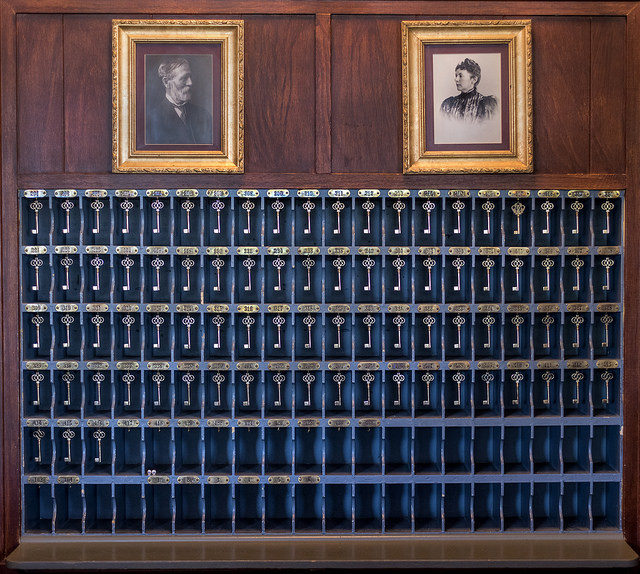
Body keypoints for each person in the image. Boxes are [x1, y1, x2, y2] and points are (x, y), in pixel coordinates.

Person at [146, 56, 213, 145]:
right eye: (184, 78)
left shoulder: (204, 115)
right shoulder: (152, 121)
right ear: (166, 82)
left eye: (190, 76)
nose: (190, 82)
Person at [440, 58, 498, 123]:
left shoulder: (485, 105)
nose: (456, 79)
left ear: (474, 79)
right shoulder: (448, 104)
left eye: (460, 76)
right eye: (456, 75)